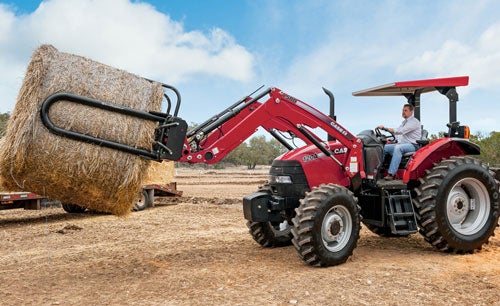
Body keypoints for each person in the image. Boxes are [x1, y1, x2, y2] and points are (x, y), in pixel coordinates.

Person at [377, 104, 421, 180]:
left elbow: (400, 131)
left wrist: (385, 128)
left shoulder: (414, 122)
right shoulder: (404, 122)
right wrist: (388, 138)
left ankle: (391, 174)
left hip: (413, 145)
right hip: (403, 144)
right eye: (403, 110)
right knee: (383, 147)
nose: (403, 112)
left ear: (411, 111)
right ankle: (378, 169)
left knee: (398, 148)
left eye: (405, 110)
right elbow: (397, 135)